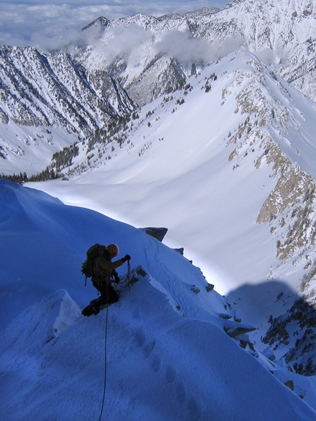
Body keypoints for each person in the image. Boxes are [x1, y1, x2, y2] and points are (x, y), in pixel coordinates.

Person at [82, 243, 131, 316]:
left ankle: (97, 302)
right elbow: (109, 266)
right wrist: (123, 260)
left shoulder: (104, 257)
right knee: (111, 297)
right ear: (110, 253)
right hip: (99, 282)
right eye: (113, 255)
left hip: (102, 281)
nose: (112, 257)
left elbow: (110, 266)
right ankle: (93, 305)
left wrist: (115, 274)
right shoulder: (101, 259)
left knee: (110, 296)